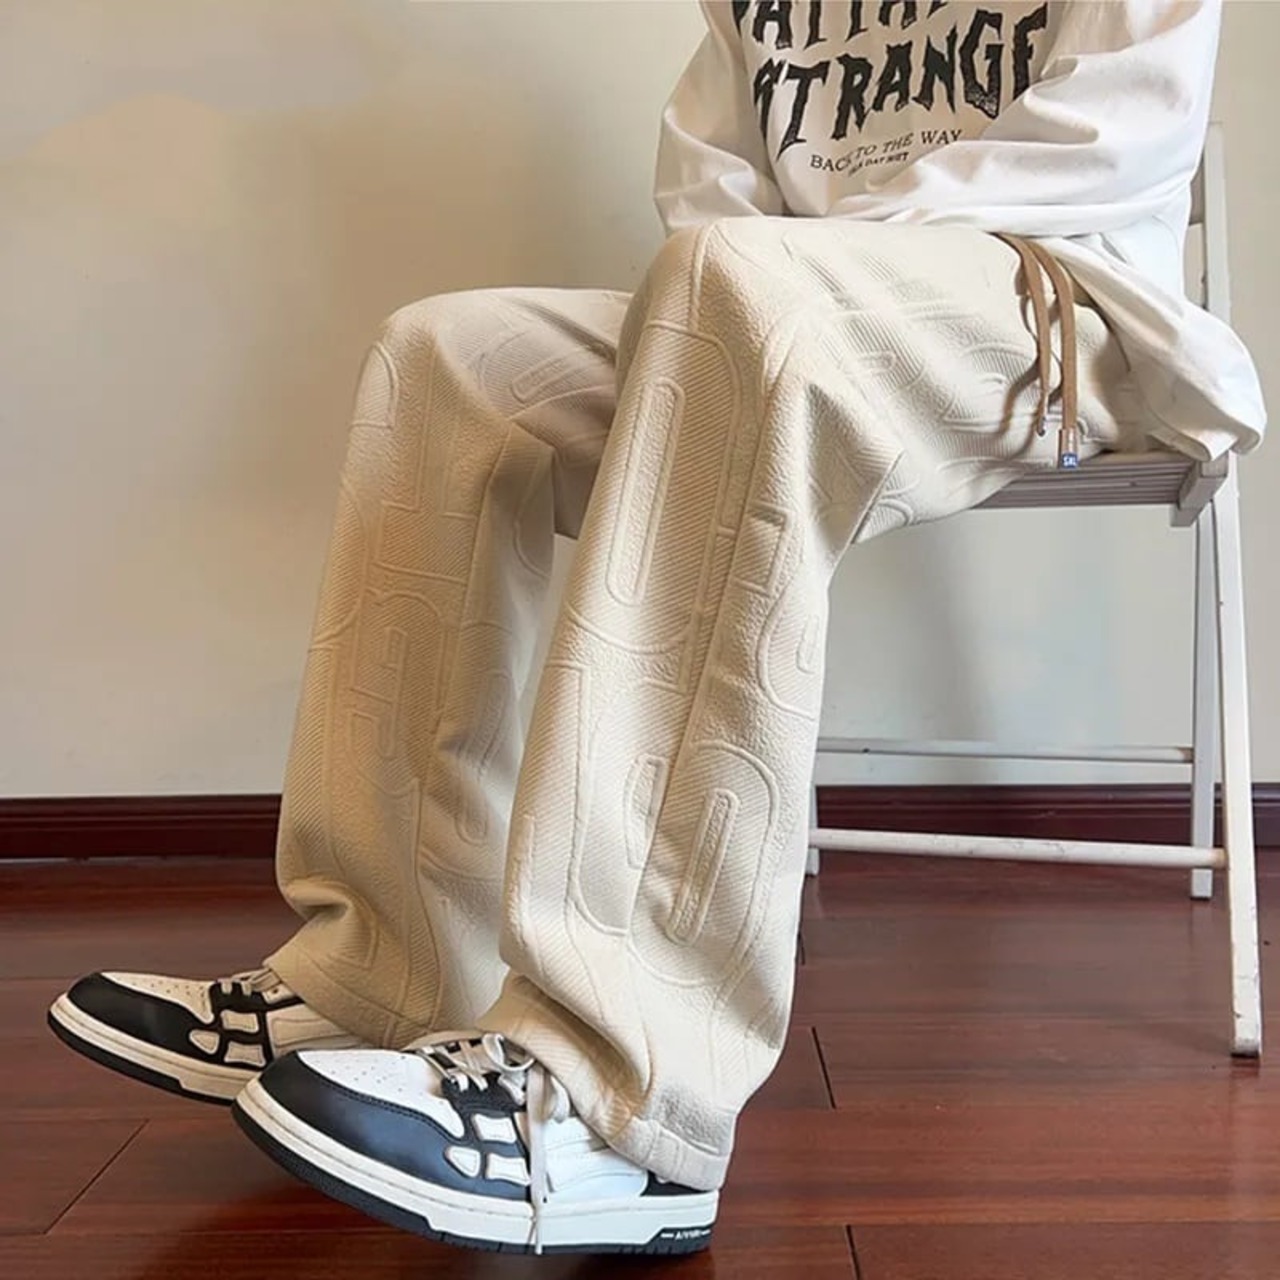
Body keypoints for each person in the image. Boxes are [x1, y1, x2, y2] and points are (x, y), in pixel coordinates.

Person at [47, 0, 1264, 1258]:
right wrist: (763, 275)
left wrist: (802, 261)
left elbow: (1114, 130)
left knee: (740, 285)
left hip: (1054, 299)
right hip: (779, 298)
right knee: (447, 360)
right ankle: (382, 973)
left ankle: (619, 1095)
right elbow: (709, 172)